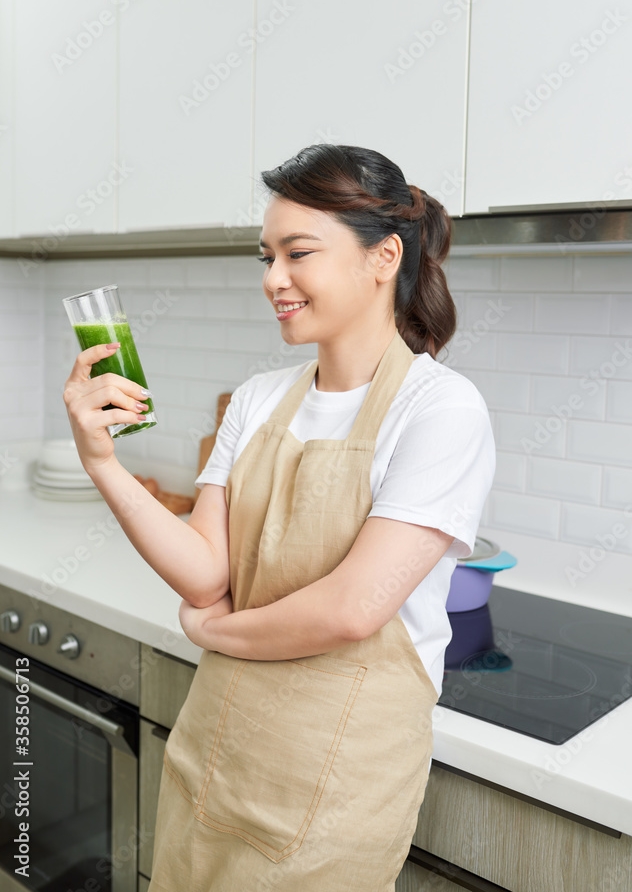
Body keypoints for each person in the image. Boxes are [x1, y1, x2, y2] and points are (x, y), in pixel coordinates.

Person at [63, 143, 496, 891]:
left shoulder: (441, 408)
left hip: (338, 785)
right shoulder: (261, 397)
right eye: (266, 256)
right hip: (220, 753)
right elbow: (206, 573)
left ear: (382, 257)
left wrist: (216, 633)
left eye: (298, 253)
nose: (273, 280)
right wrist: (101, 462)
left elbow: (352, 609)